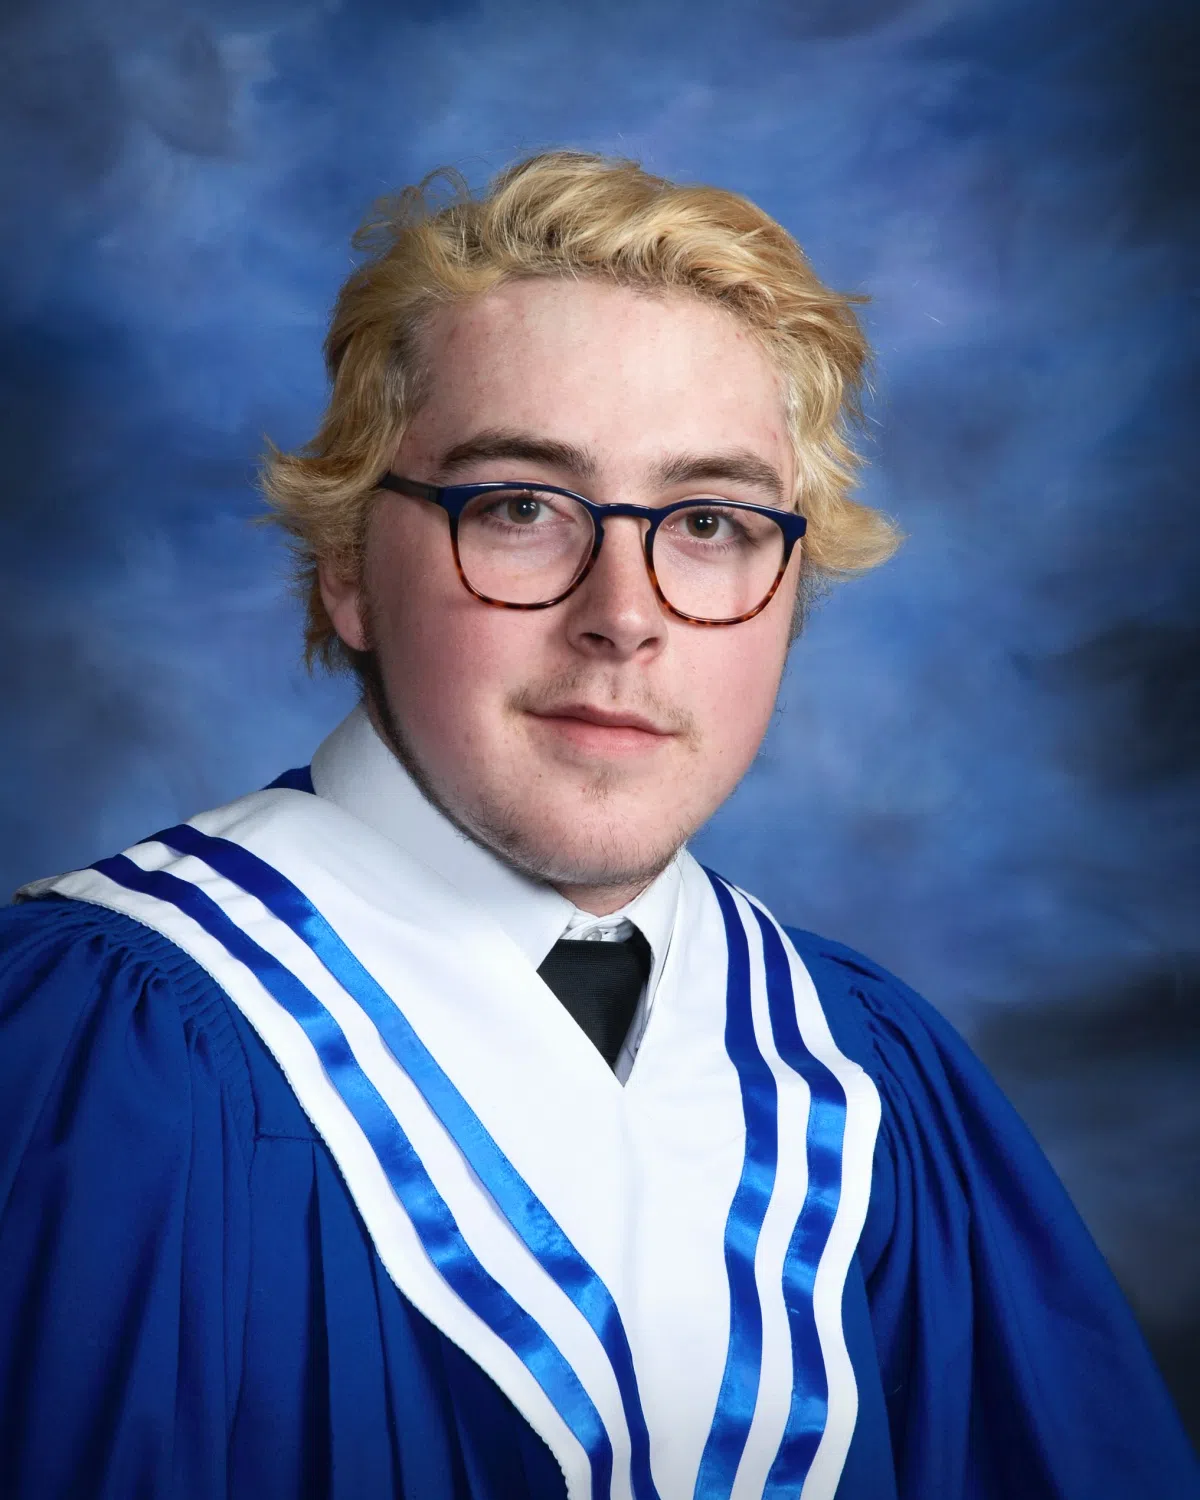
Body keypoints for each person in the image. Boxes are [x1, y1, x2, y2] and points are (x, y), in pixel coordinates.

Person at [0, 151, 1194, 1500]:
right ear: (347, 568)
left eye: (711, 523)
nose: (623, 615)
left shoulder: (870, 1080)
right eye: (519, 508)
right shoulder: (101, 1053)